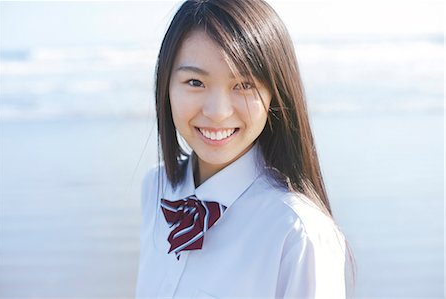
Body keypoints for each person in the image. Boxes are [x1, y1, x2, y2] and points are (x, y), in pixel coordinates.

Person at [135, 0, 350, 298]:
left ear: (275, 94)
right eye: (195, 82)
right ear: (165, 86)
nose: (218, 112)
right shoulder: (155, 188)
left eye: (244, 85)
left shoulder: (299, 232)